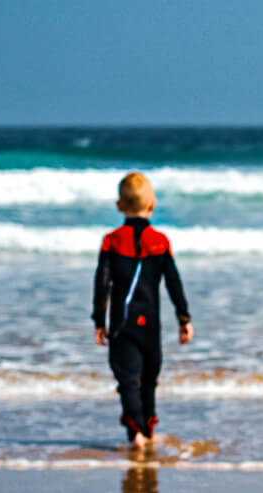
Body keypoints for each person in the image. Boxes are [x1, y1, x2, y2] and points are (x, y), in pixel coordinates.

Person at [92, 172, 193, 450]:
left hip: (122, 325)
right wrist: (183, 318)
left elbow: (102, 284)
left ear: (119, 206)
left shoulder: (111, 241)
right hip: (150, 327)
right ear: (153, 205)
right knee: (149, 378)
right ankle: (147, 430)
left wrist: (99, 320)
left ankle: (135, 432)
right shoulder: (160, 241)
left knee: (128, 379)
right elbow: (173, 282)